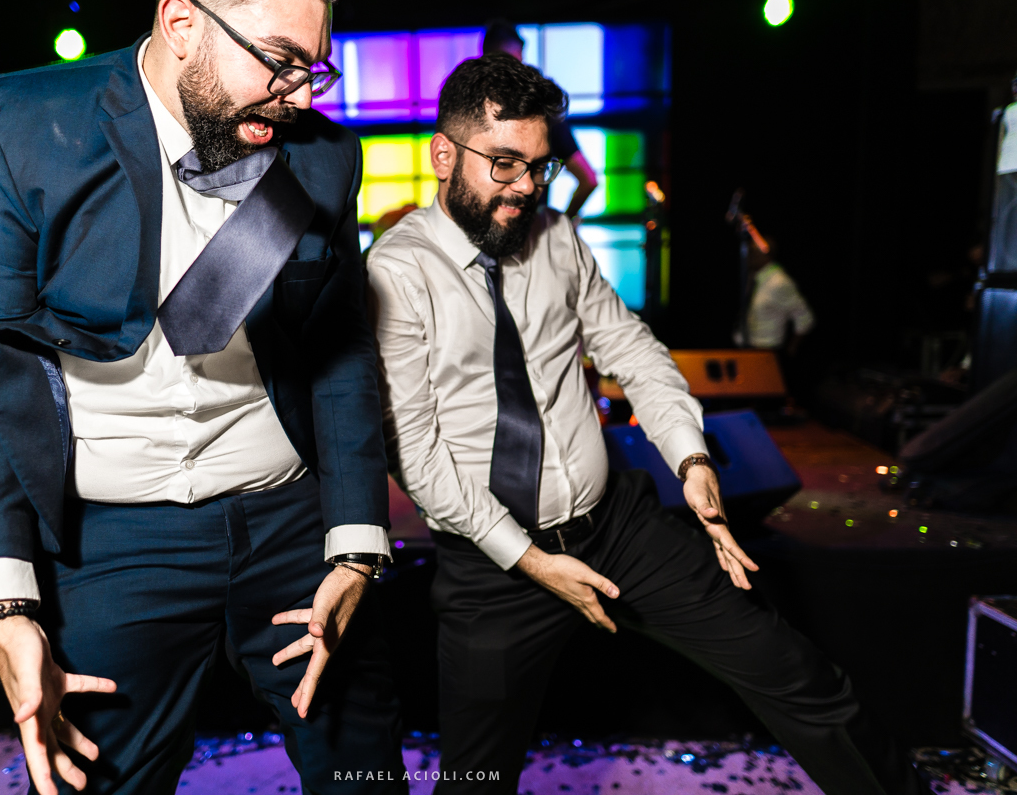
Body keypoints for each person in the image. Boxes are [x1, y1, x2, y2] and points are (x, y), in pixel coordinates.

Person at [366, 54, 925, 795]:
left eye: (539, 167)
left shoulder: (556, 236)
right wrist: (530, 561)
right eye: (504, 164)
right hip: (493, 567)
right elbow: (415, 454)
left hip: (617, 528)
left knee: (800, 676)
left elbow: (631, 349)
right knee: (477, 776)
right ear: (445, 154)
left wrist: (692, 461)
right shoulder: (395, 273)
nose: (526, 187)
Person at [0, 0, 406, 793]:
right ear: (182, 24)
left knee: (365, 772)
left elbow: (343, 351)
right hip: (110, 538)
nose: (303, 97)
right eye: (281, 62)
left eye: (316, 69)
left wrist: (357, 544)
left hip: (287, 516)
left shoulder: (324, 157)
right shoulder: (16, 125)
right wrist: (0, 607)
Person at [482, 19, 598, 222]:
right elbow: (588, 179)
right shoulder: (474, 116)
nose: (525, 186)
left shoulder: (545, 115)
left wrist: (559, 227)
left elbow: (588, 179)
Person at [734, 236, 815, 355]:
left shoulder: (779, 282)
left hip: (767, 350)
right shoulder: (755, 276)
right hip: (747, 348)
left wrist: (791, 349)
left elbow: (805, 319)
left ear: (764, 254)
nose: (748, 256)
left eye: (752, 252)